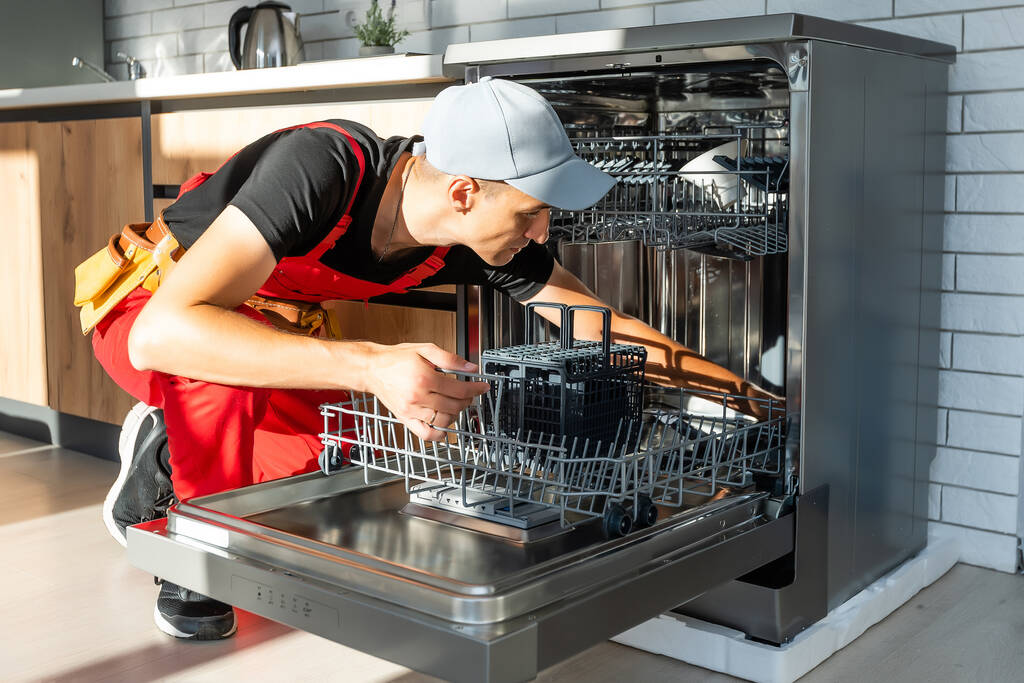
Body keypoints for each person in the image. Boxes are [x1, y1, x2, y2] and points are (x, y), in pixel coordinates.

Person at [76, 77, 778, 642]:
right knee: (226, 400)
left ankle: (164, 448)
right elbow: (165, 332)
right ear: (465, 192)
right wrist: (373, 365)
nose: (543, 232)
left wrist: (749, 396)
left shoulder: (476, 232)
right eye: (533, 213)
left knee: (323, 466)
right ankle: (188, 554)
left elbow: (602, 326)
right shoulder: (324, 167)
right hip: (150, 306)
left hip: (257, 326)